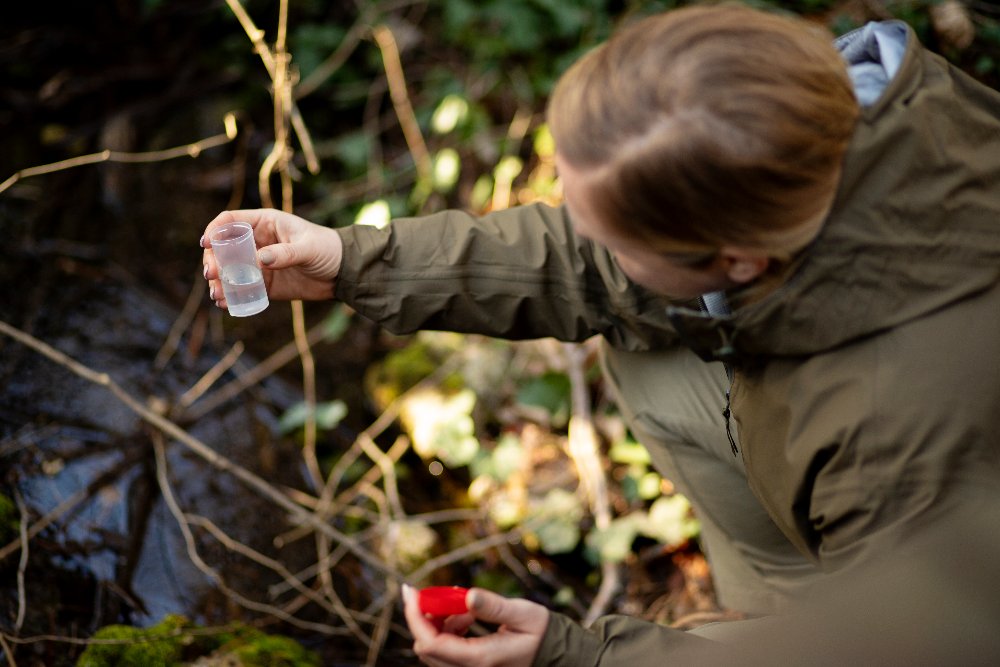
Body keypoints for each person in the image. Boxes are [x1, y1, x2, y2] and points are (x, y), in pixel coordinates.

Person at [201, 3, 1000, 665]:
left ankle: (789, 612)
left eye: (617, 235)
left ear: (740, 258)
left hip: (936, 594)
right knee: (649, 350)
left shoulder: (898, 444)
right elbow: (588, 263)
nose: (585, 237)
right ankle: (774, 598)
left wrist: (576, 652)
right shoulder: (854, 124)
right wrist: (352, 261)